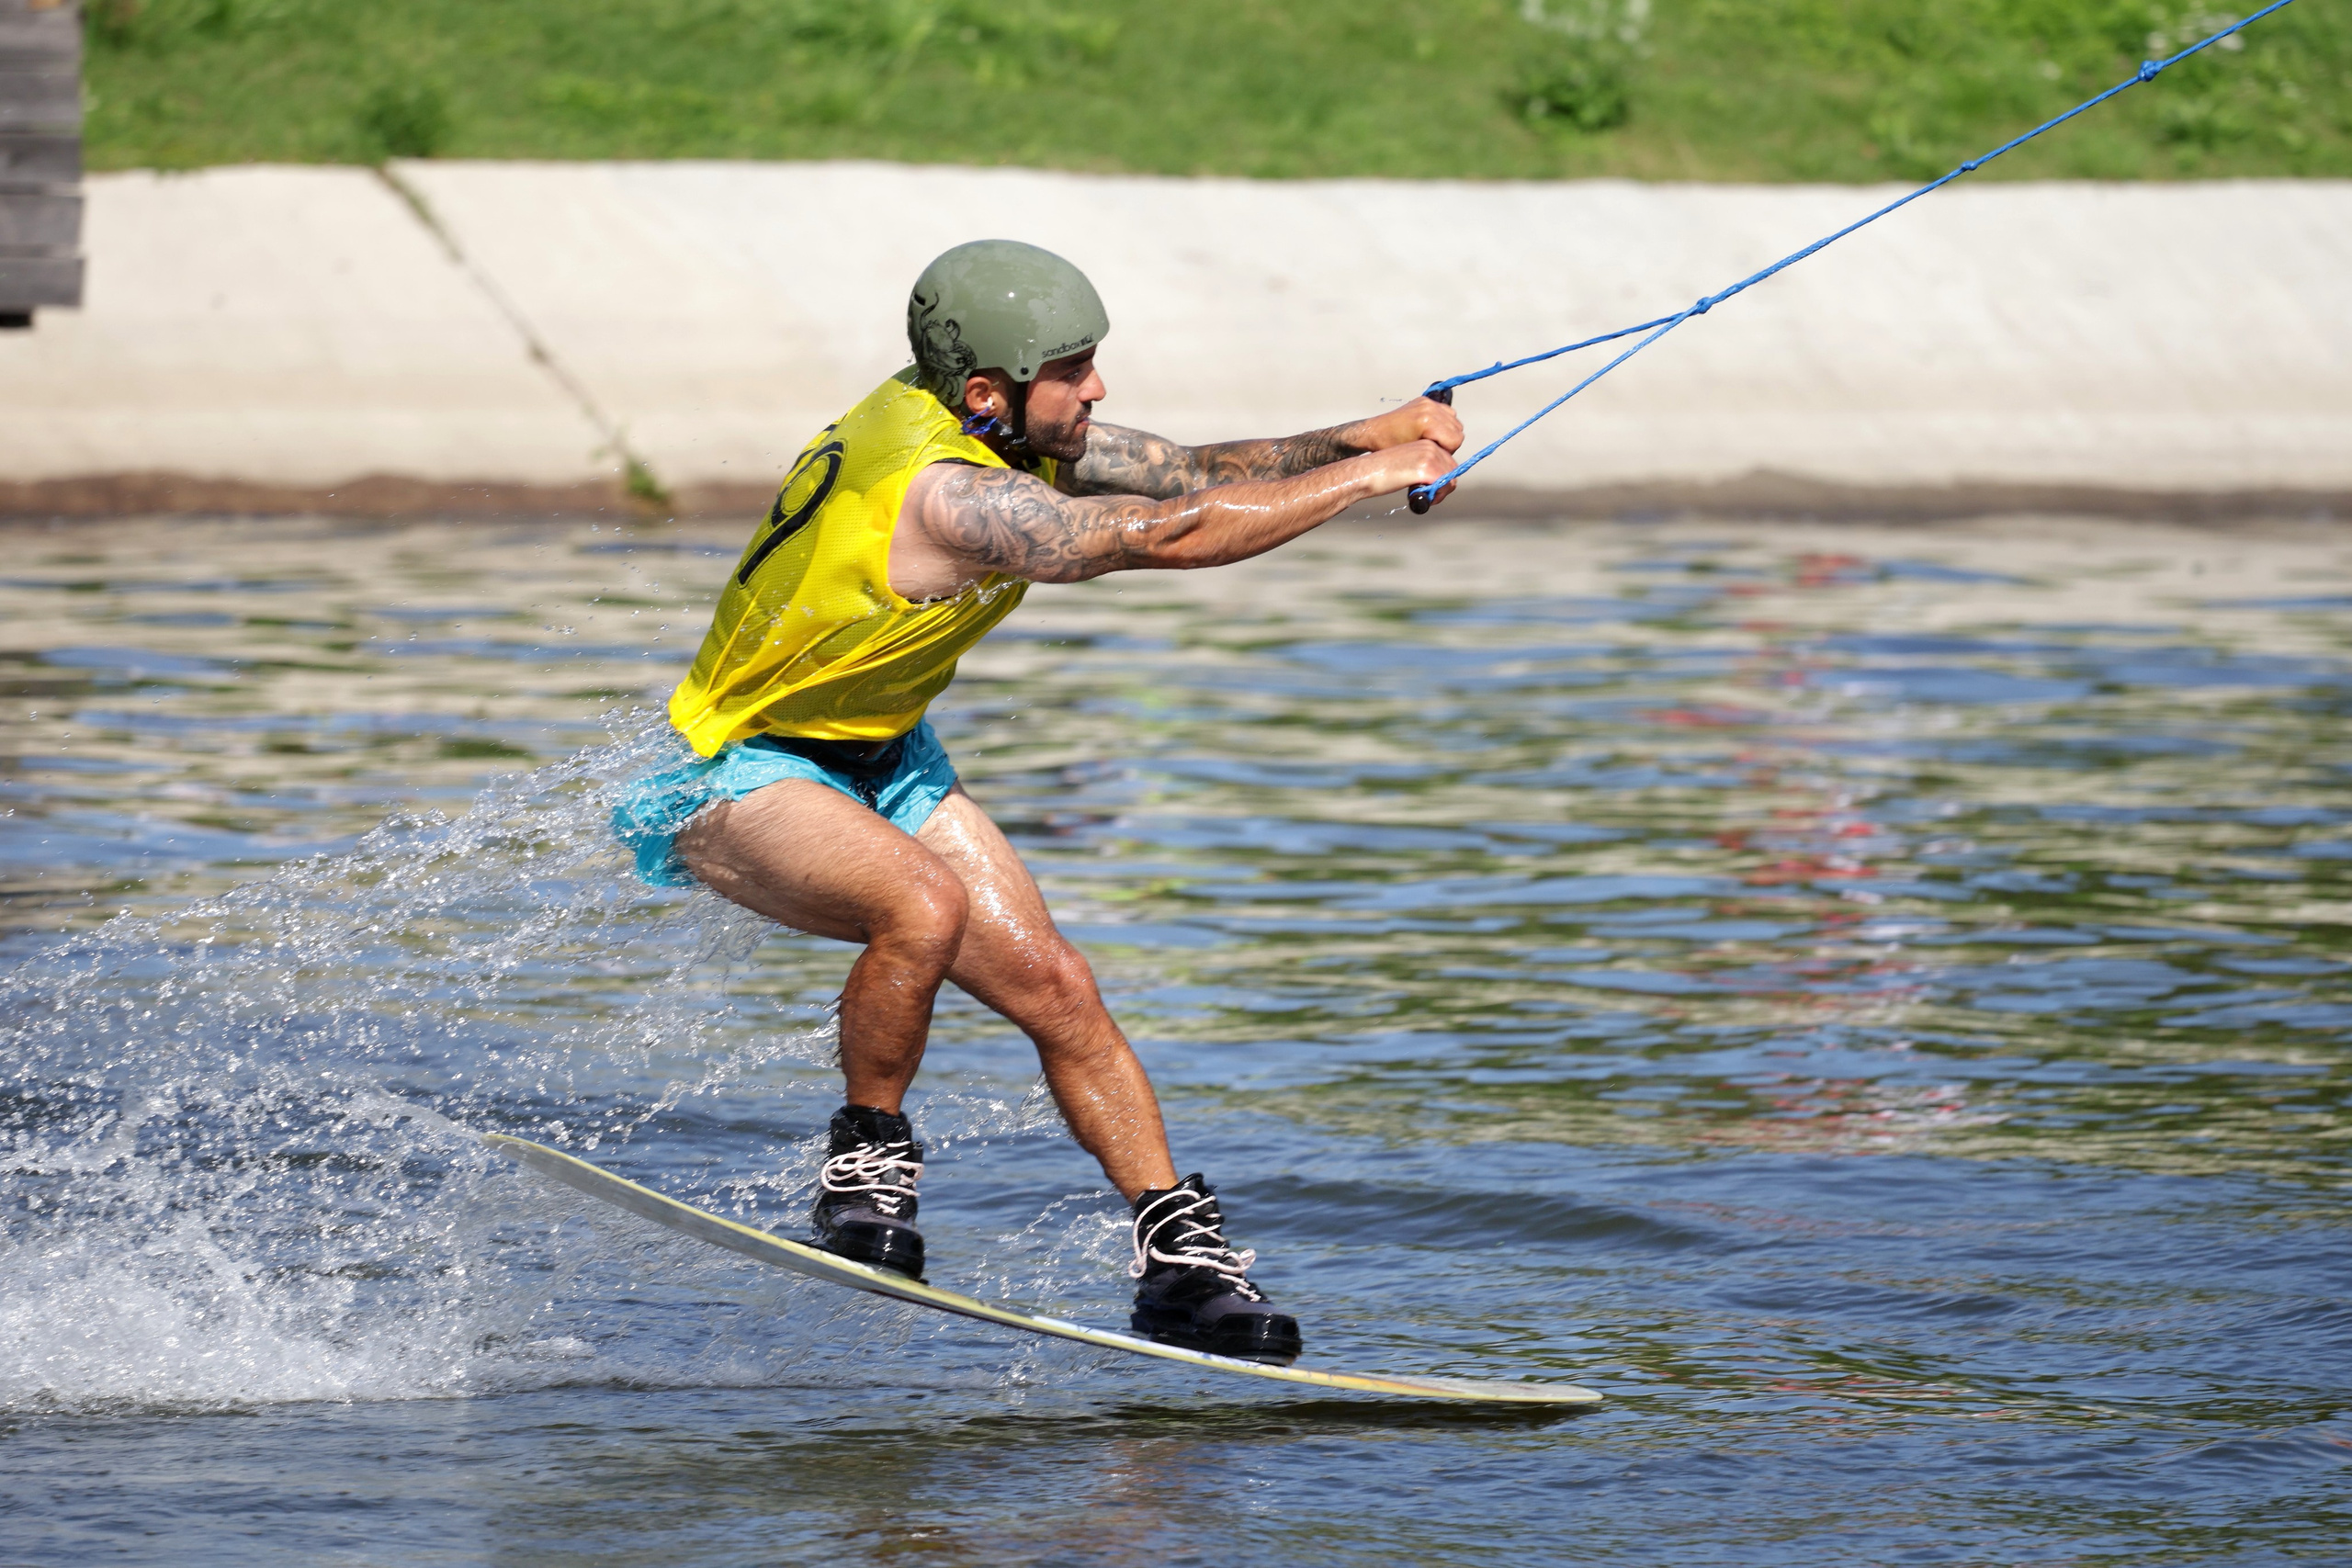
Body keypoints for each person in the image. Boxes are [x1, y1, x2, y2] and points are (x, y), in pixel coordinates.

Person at [615, 239, 1460, 1364]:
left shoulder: (984, 425)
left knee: (1058, 987)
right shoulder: (945, 494)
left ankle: (1179, 1268)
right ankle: (863, 1172)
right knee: (922, 903)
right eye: (1075, 371)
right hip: (737, 772)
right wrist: (1367, 484)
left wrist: (1358, 435)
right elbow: (1167, 534)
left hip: (882, 757)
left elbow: (1185, 471)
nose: (1096, 390)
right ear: (988, 392)